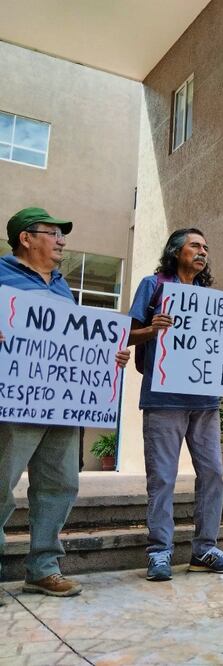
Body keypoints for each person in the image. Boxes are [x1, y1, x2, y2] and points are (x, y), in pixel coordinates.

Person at [0, 207, 130, 599]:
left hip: (60, 406)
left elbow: (68, 345)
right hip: (14, 402)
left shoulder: (61, 286)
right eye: (53, 233)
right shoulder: (2, 276)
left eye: (62, 235)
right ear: (26, 238)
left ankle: (43, 567)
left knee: (60, 483)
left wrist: (109, 353)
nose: (61, 241)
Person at [129, 228, 223, 581]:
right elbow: (127, 334)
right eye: (195, 245)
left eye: (206, 247)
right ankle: (159, 553)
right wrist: (152, 329)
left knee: (214, 474)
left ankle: (205, 549)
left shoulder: (207, 298)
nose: (202, 251)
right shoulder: (152, 286)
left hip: (205, 402)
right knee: (162, 477)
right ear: (176, 251)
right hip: (163, 400)